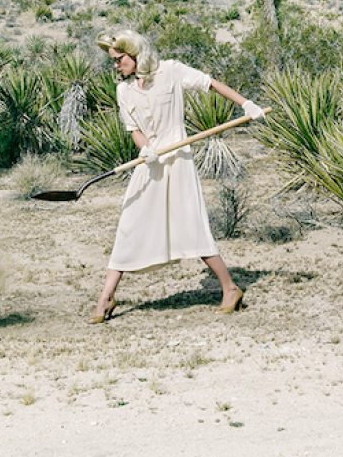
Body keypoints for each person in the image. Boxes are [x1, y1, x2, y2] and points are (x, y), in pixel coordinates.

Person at [90, 29, 264, 324]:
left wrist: (246, 104)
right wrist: (145, 149)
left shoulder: (171, 71)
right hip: (151, 164)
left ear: (135, 55)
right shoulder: (124, 90)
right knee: (129, 225)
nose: (116, 65)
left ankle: (230, 288)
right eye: (114, 61)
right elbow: (134, 129)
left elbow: (210, 84)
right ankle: (106, 297)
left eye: (119, 59)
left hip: (178, 162)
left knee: (191, 226)